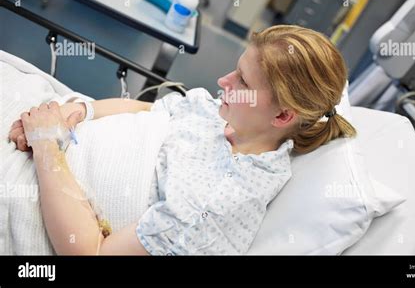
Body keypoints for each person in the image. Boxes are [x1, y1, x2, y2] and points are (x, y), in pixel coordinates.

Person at [8, 25, 356, 255]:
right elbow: (143, 108)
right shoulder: (216, 111)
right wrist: (76, 112)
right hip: (49, 137)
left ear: (282, 117)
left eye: (243, 83)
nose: (223, 81)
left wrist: (46, 146)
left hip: (32, 186)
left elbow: (91, 252)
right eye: (235, 69)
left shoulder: (216, 207)